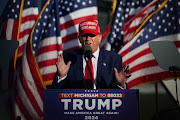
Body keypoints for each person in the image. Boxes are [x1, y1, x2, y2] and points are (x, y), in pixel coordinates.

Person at [51, 20, 131, 89]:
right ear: (79, 39)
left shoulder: (113, 59)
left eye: (92, 35)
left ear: (99, 38)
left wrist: (120, 85)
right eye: (84, 36)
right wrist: (62, 77)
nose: (88, 39)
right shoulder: (68, 58)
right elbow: (56, 93)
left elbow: (118, 97)